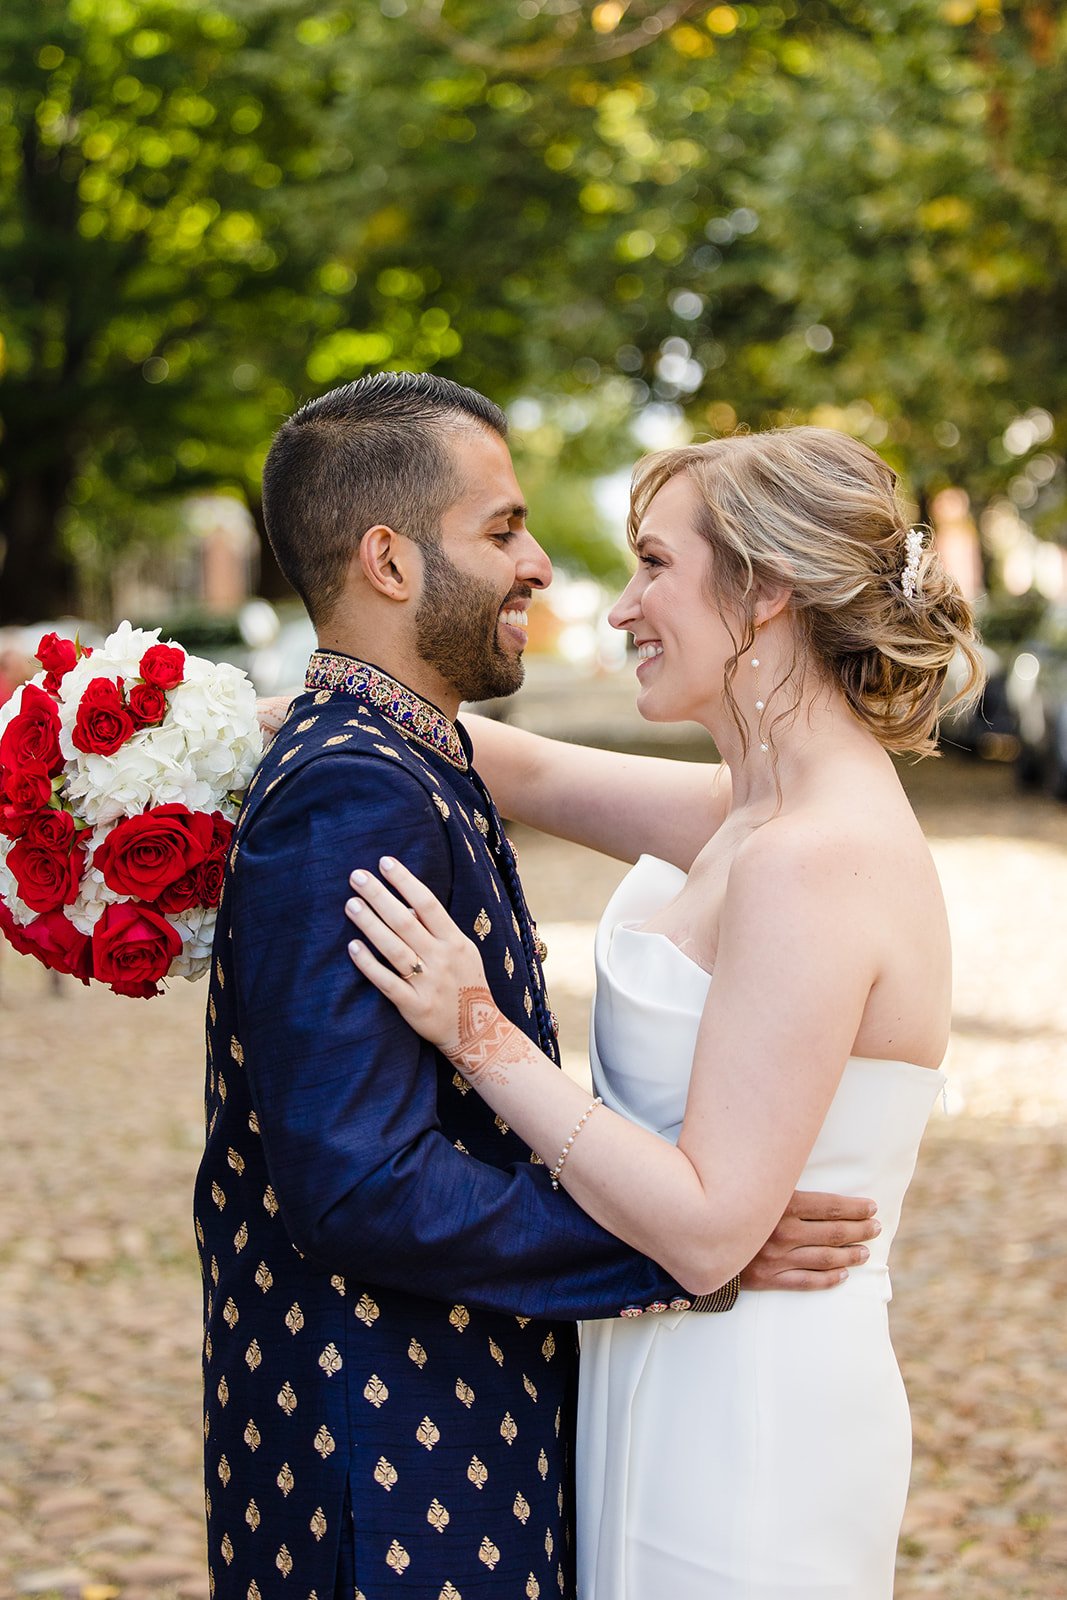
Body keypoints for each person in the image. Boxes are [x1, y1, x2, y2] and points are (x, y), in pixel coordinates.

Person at [199, 377, 876, 1600]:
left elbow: (525, 766)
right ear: (390, 562)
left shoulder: (412, 751)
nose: (550, 573)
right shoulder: (357, 783)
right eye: (503, 529)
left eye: (649, 563)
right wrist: (678, 1246)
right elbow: (359, 1180)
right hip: (387, 1453)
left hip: (504, 1424)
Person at [343, 425, 984, 1598]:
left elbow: (701, 1232)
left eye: (652, 565)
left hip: (751, 1414)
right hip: (657, 1365)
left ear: (767, 588)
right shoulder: (746, 811)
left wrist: (473, 1029)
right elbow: (509, 763)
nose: (618, 607)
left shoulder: (810, 857)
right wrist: (184, 725)